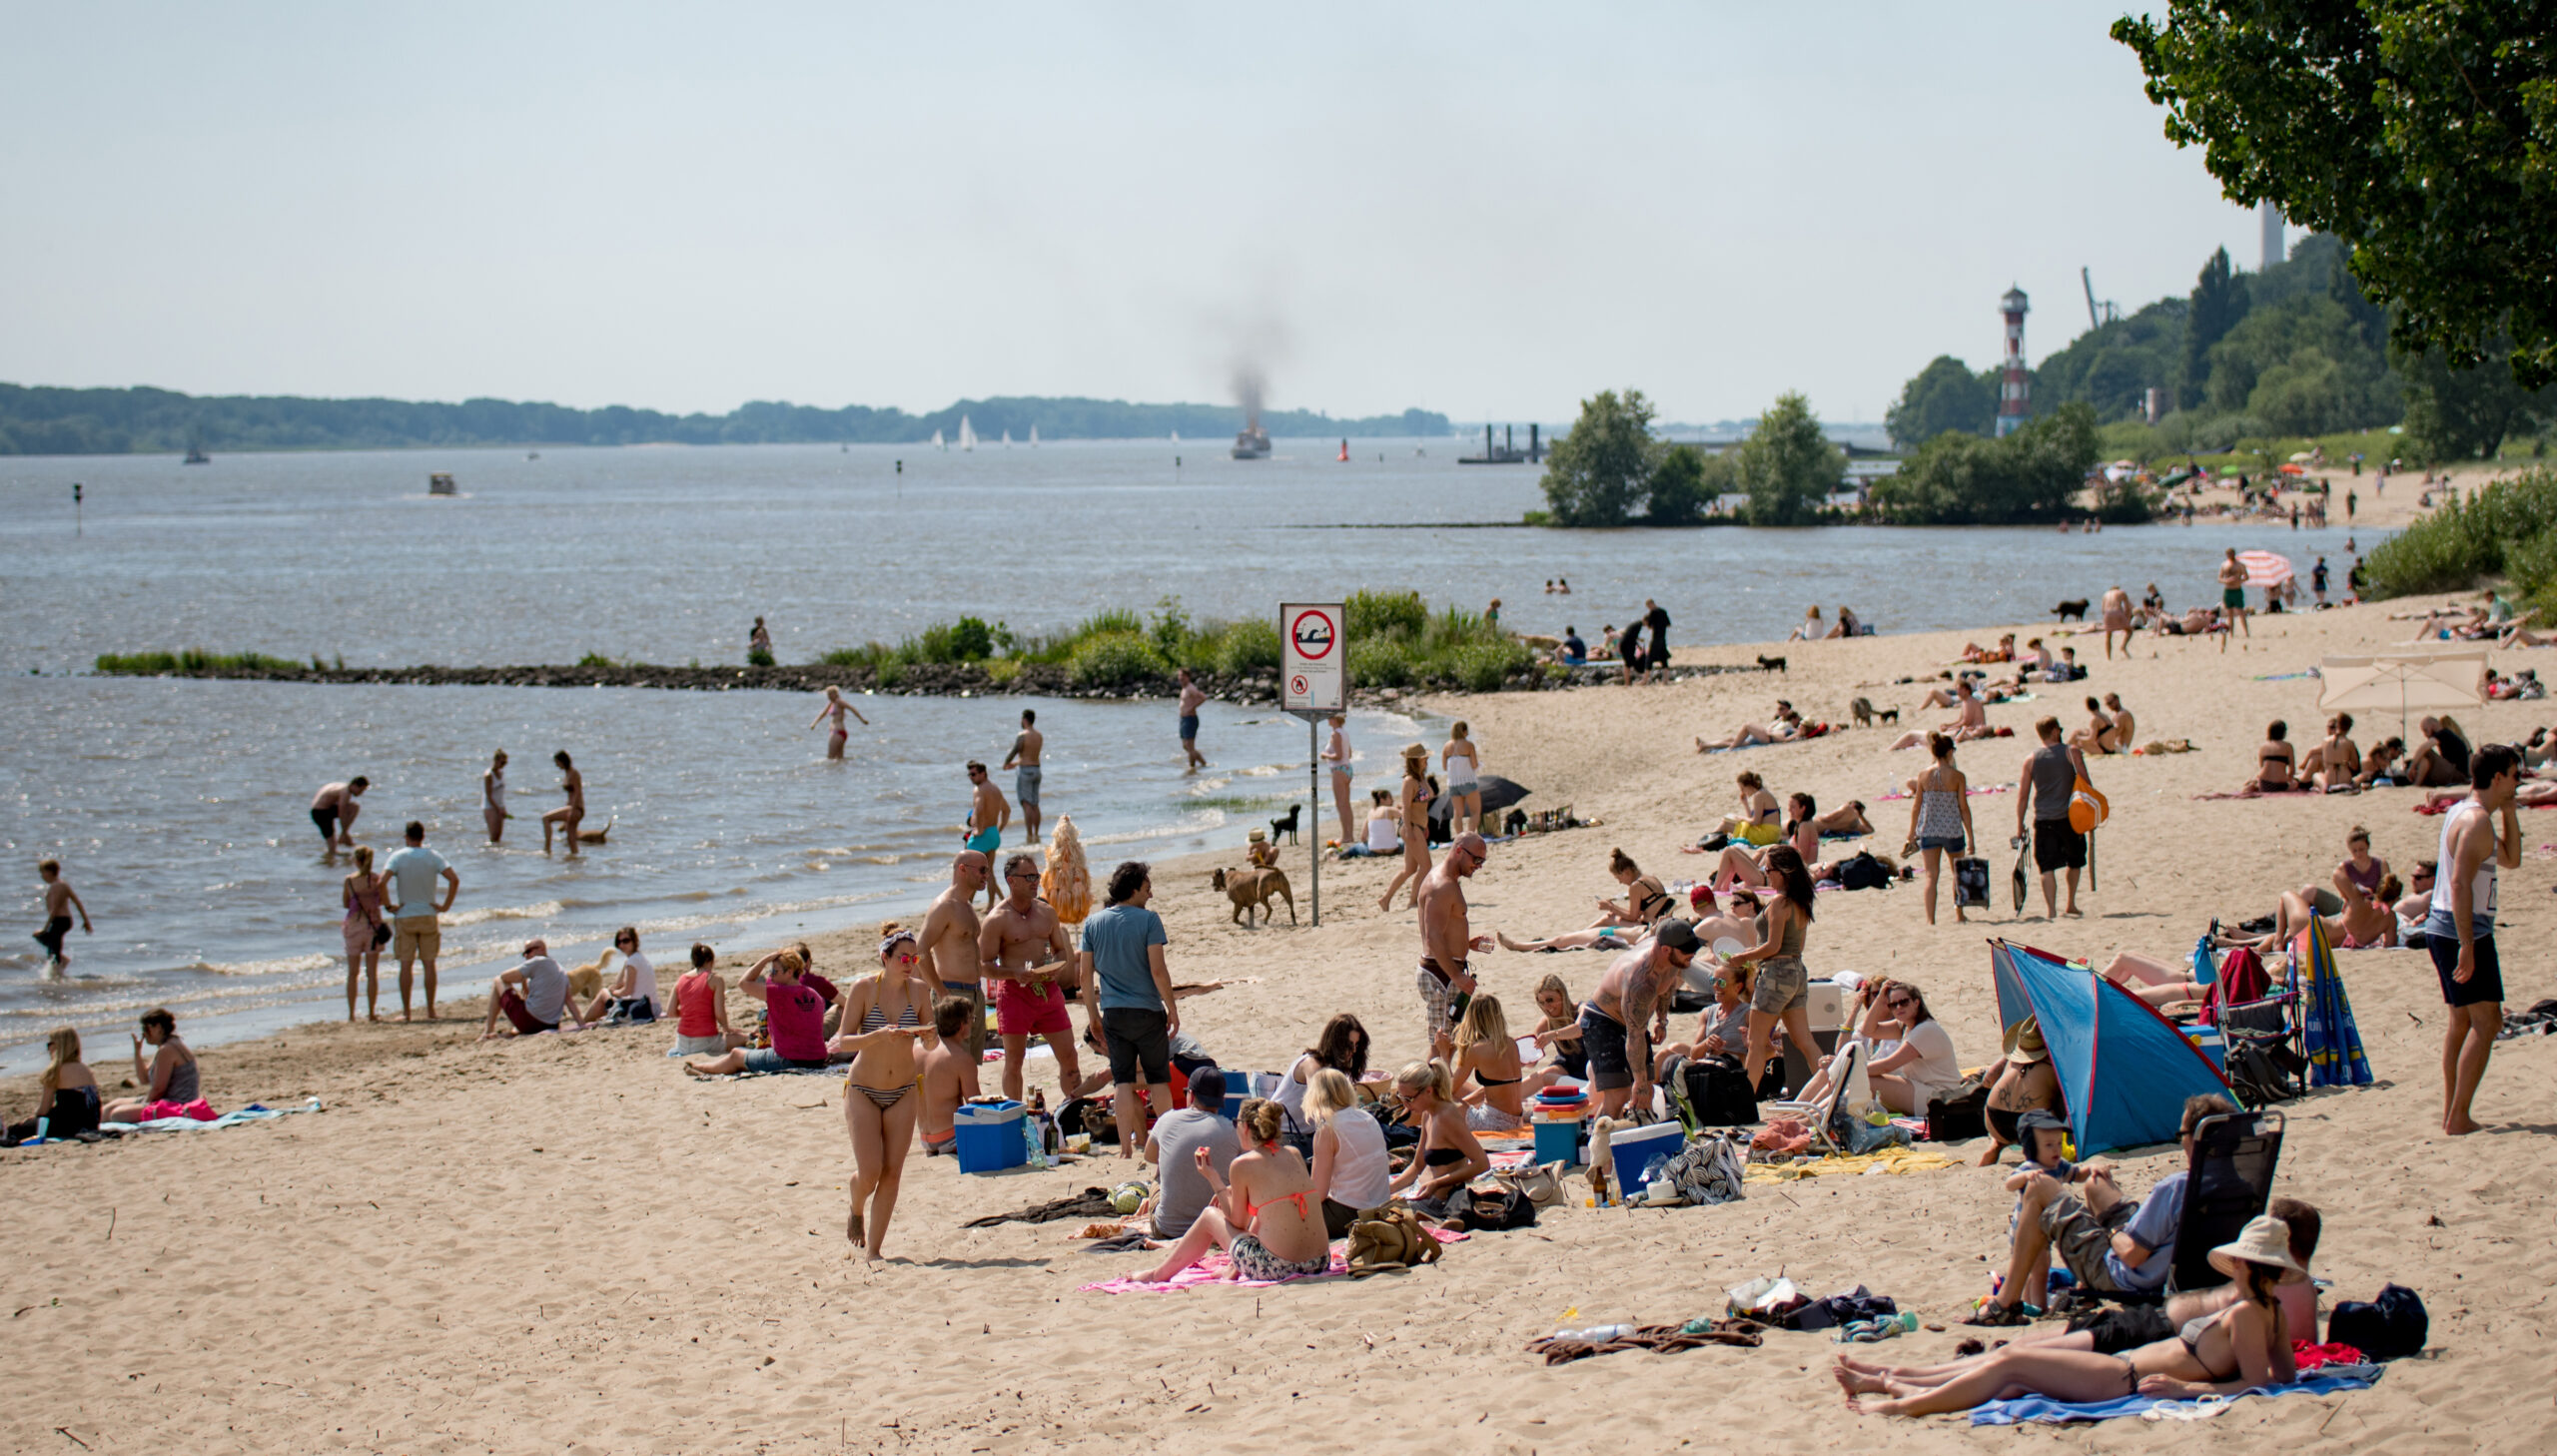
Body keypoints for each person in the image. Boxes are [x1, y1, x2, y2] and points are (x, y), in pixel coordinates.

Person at [1848, 1208, 2298, 1414]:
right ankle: (1898, 1381)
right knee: (2012, 1367)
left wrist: (2184, 1388)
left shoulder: (2246, 1314)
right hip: (2119, 1369)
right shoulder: (2269, 1312)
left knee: (2013, 1361)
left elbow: (2256, 1384)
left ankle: (1904, 1404)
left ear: (2241, 1263)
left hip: (2124, 1377)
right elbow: (2285, 1378)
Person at [1973, 1092, 2237, 1322]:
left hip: (2128, 1276)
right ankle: (2080, 1288)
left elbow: (2132, 1255)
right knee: (2095, 1184)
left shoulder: (2177, 1187)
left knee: (2040, 1186)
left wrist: (2111, 1231)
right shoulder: (2239, 1186)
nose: (2181, 1141)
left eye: (2182, 1134)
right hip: (2171, 1263)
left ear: (2198, 1139)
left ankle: (2005, 1304)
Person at [1142, 1096, 1330, 1283]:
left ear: (1246, 1127)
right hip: (1320, 1261)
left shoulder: (1242, 1164)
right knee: (1265, 1211)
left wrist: (1214, 1180)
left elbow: (1238, 1222)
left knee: (1209, 1215)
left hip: (1279, 1267)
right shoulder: (1294, 1153)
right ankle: (1233, 1268)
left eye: (1236, 1123)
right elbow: (1270, 1207)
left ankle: (1157, 1275)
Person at [2431, 744, 2520, 1135]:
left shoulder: (2466, 812)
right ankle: (2459, 1116)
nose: (2519, 781)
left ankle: (2453, 1111)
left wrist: (2512, 812)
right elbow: (2459, 882)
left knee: (2462, 1021)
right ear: (2497, 777)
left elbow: (2512, 859)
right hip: (2462, 929)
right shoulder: (2477, 820)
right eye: (2515, 775)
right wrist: (2467, 944)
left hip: (2447, 926)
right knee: (2489, 1022)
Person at [831, 929, 936, 1260]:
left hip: (904, 1089)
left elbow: (929, 1038)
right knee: (870, 1171)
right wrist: (877, 1036)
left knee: (892, 1172)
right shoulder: (864, 989)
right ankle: (855, 1205)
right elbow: (843, 1042)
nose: (909, 965)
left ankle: (874, 1251)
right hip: (863, 1088)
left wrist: (931, 1039)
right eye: (903, 958)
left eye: (914, 958)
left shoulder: (919, 991)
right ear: (885, 958)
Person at [1081, 861, 1179, 1157]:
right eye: (1147, 889)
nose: (1150, 895)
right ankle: (1167, 1143)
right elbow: (1158, 970)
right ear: (1134, 888)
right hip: (1147, 1010)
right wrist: (1172, 1008)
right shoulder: (1149, 921)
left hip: (1113, 1012)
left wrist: (1092, 1016)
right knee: (1158, 1078)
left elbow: (1085, 976)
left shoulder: (1093, 923)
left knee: (1122, 1081)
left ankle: (1125, 1149)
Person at [980, 852, 1083, 1106]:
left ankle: (1072, 1108)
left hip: (1048, 991)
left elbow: (1060, 948)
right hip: (1015, 995)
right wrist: (1013, 973)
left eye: (1036, 876)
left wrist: (1055, 966)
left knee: (1069, 1056)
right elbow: (983, 966)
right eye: (1028, 877)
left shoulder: (1046, 912)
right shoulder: (996, 919)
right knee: (1014, 1062)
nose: (1035, 881)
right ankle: (1014, 1116)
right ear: (1011, 881)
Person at [1578, 920, 1700, 1118]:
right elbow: (1634, 1034)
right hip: (1603, 1021)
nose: (1692, 956)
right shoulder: (1641, 978)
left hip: (1635, 1023)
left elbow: (1667, 985)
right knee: (1619, 1095)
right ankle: (1598, 1145)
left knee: (1648, 1092)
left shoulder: (1672, 958)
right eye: (1687, 952)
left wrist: (1662, 1019)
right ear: (1666, 949)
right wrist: (1639, 1082)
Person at [1728, 845, 1817, 1095]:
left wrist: (1742, 957)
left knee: (1756, 1043)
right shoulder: (1801, 900)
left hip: (1776, 973)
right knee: (1804, 1041)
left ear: (1783, 872)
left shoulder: (1780, 902)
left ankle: (1745, 1103)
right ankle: (1833, 1087)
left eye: (1769, 870)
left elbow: (1773, 946)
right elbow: (1796, 946)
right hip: (1797, 971)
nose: (1767, 875)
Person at [679, 947, 828, 1073]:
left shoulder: (778, 993)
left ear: (789, 972)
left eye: (775, 971)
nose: (771, 975)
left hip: (790, 1059)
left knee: (736, 1055)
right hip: (817, 1057)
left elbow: (744, 982)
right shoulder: (814, 994)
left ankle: (702, 1068)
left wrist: (765, 959)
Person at [1414, 831, 1493, 1062]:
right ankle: (1429, 1093)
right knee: (1442, 1045)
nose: (1478, 866)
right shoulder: (1441, 885)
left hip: (1444, 970)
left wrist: (1466, 944)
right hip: (1441, 974)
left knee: (1449, 1042)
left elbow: (1441, 934)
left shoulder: (1447, 882)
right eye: (1476, 860)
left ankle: (1436, 1090)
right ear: (1459, 850)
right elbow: (1433, 937)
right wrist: (1457, 976)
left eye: (1482, 861)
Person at [1144, 1066, 1240, 1239]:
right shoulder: (1232, 1131)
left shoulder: (1167, 1119)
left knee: (1159, 1172)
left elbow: (1149, 1156)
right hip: (1215, 1231)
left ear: (1191, 1094)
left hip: (1167, 1230)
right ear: (1221, 1100)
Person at [1384, 1060, 1490, 1216]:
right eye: (1401, 1098)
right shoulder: (1427, 1114)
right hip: (1419, 1192)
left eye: (1409, 1099)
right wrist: (1389, 1190)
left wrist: (1438, 1183)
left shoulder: (1447, 1117)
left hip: (1434, 1201)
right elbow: (1418, 1165)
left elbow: (1482, 1163)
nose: (1405, 1105)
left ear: (1428, 1091)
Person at [918, 851, 993, 1061]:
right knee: (953, 1064)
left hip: (975, 994)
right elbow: (920, 949)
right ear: (962, 869)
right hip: (952, 992)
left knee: (972, 1063)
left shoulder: (966, 906)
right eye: (982, 870)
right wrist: (940, 991)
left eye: (987, 870)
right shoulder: (945, 906)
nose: (986, 875)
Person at [1846, 978, 1959, 1114]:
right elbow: (1868, 1031)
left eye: (1904, 1002)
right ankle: (1820, 1117)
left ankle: (1822, 1119)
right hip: (1924, 1091)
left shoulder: (1925, 1030)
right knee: (1858, 1082)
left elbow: (1887, 1065)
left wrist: (1848, 1069)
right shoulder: (1906, 1026)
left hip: (1941, 1097)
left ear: (1916, 1002)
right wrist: (1881, 998)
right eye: (1893, 1005)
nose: (1898, 1007)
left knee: (1866, 1080)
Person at [383, 821, 458, 1022]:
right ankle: (431, 1010)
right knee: (429, 964)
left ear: (406, 836)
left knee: (405, 965)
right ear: (423, 836)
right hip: (428, 913)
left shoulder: (398, 857)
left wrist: (389, 905)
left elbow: (382, 882)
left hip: (406, 914)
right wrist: (445, 906)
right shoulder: (433, 856)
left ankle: (407, 1012)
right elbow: (454, 879)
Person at [2017, 717, 2091, 920]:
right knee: (2074, 861)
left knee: (2046, 866)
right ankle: (2070, 904)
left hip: (2043, 819)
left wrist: (2019, 824)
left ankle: (2051, 910)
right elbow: (2085, 782)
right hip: (2070, 818)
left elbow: (2023, 795)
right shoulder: (2071, 752)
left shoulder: (2030, 759)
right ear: (2055, 731)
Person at [1304, 1068, 1392, 1236]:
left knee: (1288, 1213)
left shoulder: (1328, 1130)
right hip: (1381, 1206)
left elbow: (1318, 1194)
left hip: (1351, 1212)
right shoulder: (1368, 1118)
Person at [1907, 734, 1976, 927]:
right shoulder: (1958, 776)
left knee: (1931, 876)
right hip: (1952, 830)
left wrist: (1912, 831)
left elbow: (1916, 806)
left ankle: (1930, 919)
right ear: (1949, 752)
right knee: (1957, 873)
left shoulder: (1923, 775)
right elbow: (1963, 807)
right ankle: (1959, 914)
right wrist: (1970, 836)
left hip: (1929, 829)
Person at [1977, 1019, 2065, 1165]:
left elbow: (1988, 1080)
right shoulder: (2055, 1061)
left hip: (1995, 1120)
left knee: (1998, 1142)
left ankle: (1996, 1146)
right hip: (2033, 1124)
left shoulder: (2012, 1056)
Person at [1271, 1013, 1371, 1135]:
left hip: (1307, 1132)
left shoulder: (1334, 1069)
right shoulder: (1312, 1065)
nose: (1354, 1051)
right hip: (1283, 1133)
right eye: (1349, 1045)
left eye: (1356, 1045)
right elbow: (1322, 1105)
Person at [101, 1008, 201, 1122]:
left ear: (158, 1028)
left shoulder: (167, 1049)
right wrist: (137, 1052)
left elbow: (158, 1089)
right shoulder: (167, 1046)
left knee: (118, 1114)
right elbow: (144, 1079)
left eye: (146, 1028)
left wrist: (145, 1104)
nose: (144, 1033)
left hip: (177, 1105)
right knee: (110, 1107)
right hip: (166, 1101)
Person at [1449, 995, 1531, 1130]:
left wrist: (1444, 1054)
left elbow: (1448, 1089)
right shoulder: (1511, 1043)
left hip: (1492, 1123)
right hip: (1516, 1121)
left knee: (1440, 1102)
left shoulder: (1476, 1050)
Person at [7, 1029, 100, 1143]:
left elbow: (44, 1109)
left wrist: (33, 1119)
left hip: (67, 1126)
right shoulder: (84, 1068)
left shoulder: (56, 1070)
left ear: (58, 1046)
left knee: (13, 1131)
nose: (48, 1049)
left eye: (49, 1044)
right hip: (91, 1123)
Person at [915, 995, 980, 1157]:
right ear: (961, 1025)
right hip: (951, 1138)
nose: (973, 1022)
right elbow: (975, 1105)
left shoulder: (915, 1051)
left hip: (925, 1138)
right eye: (971, 1018)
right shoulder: (961, 1059)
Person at [479, 939, 583, 1040]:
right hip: (552, 1025)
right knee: (524, 1003)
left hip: (530, 1022)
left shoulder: (537, 961)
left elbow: (504, 976)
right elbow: (569, 1001)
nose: (526, 956)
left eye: (528, 951)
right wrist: (581, 1024)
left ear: (541, 949)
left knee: (498, 981)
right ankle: (506, 1033)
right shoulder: (560, 969)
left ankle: (488, 1030)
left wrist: (524, 976)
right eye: (524, 953)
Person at [1376, 744, 1435, 911]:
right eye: (1424, 758)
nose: (1427, 761)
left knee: (1409, 869)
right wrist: (1409, 830)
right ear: (1415, 761)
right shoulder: (1409, 781)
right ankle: (1412, 902)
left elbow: (1425, 803)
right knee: (1426, 866)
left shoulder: (1421, 778)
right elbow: (1407, 808)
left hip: (1419, 825)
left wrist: (1425, 826)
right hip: (1410, 825)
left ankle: (1385, 899)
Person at [669, 943, 746, 1056]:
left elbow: (671, 1012)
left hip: (682, 1042)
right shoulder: (715, 979)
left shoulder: (681, 980)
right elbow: (719, 1013)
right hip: (705, 1040)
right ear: (710, 961)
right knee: (744, 1038)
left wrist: (691, 1012)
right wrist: (726, 1028)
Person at [340, 846, 386, 1021]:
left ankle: (351, 1014)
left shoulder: (349, 880)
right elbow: (381, 900)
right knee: (372, 974)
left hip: (354, 928)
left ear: (357, 861)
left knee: (352, 973)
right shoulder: (376, 879)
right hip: (373, 927)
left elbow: (345, 903)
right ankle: (371, 1013)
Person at [578, 926, 659, 1025]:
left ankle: (583, 1023)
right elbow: (619, 983)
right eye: (619, 942)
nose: (621, 945)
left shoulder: (633, 961)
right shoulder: (637, 958)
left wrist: (614, 992)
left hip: (641, 1006)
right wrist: (625, 965)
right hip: (652, 1006)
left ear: (634, 941)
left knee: (604, 993)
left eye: (626, 941)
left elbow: (627, 990)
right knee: (607, 996)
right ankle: (589, 1020)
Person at [961, 762, 1011, 909]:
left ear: (983, 773)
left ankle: (966, 904)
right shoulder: (995, 789)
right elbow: (1007, 810)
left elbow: (979, 808)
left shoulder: (979, 789)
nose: (971, 777)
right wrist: (998, 829)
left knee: (970, 872)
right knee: (988, 873)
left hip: (982, 836)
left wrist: (977, 829)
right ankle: (990, 905)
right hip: (993, 834)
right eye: (969, 774)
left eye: (974, 774)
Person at [31, 858, 91, 976]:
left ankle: (57, 975)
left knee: (53, 949)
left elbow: (56, 908)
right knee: (51, 944)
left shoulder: (57, 886)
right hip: (64, 920)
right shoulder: (62, 884)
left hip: (60, 920)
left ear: (50, 872)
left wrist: (45, 927)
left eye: (42, 872)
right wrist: (86, 921)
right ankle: (60, 968)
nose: (42, 876)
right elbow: (77, 902)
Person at [1001, 708, 1042, 845]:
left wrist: (1006, 763)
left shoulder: (1023, 735)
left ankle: (1029, 835)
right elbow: (1029, 756)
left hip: (1025, 772)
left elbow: (1015, 751)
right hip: (1037, 769)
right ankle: (1036, 834)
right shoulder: (1039, 736)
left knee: (1026, 803)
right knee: (1035, 803)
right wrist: (1015, 764)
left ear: (1024, 720)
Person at [2404, 714, 2472, 788]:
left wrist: (2412, 767)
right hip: (2454, 772)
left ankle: (2416, 785)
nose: (2425, 734)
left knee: (2428, 753)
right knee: (2425, 759)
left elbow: (2424, 747)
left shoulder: (2444, 733)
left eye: (2426, 730)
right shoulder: (2446, 734)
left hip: (2457, 774)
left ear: (2433, 726)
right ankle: (2417, 781)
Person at [1441, 722, 1482, 838]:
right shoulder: (1469, 745)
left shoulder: (1446, 746)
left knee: (1458, 813)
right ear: (1464, 731)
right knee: (1475, 811)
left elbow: (1444, 767)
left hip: (1453, 783)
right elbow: (1474, 765)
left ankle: (1460, 837)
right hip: (1467, 780)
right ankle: (1470, 835)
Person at [539, 751, 584, 856]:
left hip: (576, 808)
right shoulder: (567, 774)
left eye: (557, 762)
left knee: (546, 818)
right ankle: (575, 859)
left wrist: (572, 810)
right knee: (571, 838)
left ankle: (547, 849)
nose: (557, 765)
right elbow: (571, 795)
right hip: (572, 807)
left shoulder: (574, 773)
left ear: (563, 761)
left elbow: (578, 792)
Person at [810, 686, 870, 762]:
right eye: (827, 695)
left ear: (835, 694)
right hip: (839, 733)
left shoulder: (839, 702)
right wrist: (814, 723)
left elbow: (852, 708)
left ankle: (831, 773)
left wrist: (862, 720)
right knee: (839, 759)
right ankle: (841, 773)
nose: (828, 697)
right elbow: (823, 713)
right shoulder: (831, 703)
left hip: (837, 732)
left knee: (830, 758)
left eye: (830, 694)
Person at [1338, 788, 1401, 859]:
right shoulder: (1390, 809)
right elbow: (1405, 816)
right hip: (1392, 849)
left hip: (1374, 851)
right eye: (1390, 798)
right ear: (1382, 800)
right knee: (1400, 840)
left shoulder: (1370, 813)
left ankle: (1338, 857)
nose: (1393, 800)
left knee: (1356, 847)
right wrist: (1402, 807)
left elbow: (1363, 837)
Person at [310, 777, 369, 852]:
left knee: (354, 807)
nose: (361, 793)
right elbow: (342, 812)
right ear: (355, 785)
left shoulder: (341, 787)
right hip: (320, 812)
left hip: (320, 810)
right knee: (354, 807)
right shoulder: (345, 792)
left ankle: (333, 857)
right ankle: (342, 839)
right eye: (361, 790)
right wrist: (344, 832)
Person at [2309, 714, 2361, 791]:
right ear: (2349, 727)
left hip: (2329, 780)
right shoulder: (2349, 743)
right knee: (2362, 777)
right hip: (2345, 779)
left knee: (2316, 775)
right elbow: (2355, 765)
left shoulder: (2325, 741)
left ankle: (2324, 787)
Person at [2252, 720, 2297, 793]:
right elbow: (2292, 770)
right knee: (2295, 783)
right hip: (2280, 784)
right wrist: (2289, 779)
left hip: (2264, 783)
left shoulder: (2263, 747)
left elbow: (2262, 766)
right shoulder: (2288, 746)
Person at [1177, 668, 1208, 771]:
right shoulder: (1184, 688)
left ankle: (1192, 769)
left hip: (1190, 718)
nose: (1180, 678)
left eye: (1183, 676)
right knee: (1185, 746)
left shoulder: (1191, 688)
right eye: (1179, 676)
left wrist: (1193, 707)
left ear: (1188, 677)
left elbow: (1203, 697)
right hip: (1184, 719)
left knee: (1190, 747)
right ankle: (1203, 763)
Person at [2217, 547, 2250, 637]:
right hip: (2228, 590)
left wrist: (2239, 580)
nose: (2229, 555)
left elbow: (2247, 577)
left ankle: (2246, 632)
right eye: (2228, 554)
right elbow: (2219, 578)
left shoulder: (2240, 565)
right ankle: (2231, 633)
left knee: (2241, 612)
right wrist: (2227, 580)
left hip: (2237, 590)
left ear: (2234, 554)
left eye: (2231, 553)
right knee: (2230, 613)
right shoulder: (2224, 565)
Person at [481, 750, 509, 843]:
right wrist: (498, 809)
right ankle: (490, 855)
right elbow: (489, 795)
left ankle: (497, 856)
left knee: (498, 836)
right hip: (490, 806)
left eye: (505, 763)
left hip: (499, 806)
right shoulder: (489, 775)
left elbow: (501, 794)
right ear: (496, 761)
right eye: (502, 762)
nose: (503, 765)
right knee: (493, 836)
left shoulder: (501, 773)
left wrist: (503, 808)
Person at [2101, 584, 2132, 659]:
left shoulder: (2106, 594)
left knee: (2108, 636)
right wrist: (2127, 619)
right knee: (2129, 631)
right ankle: (2123, 646)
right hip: (2117, 611)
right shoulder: (2121, 592)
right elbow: (2127, 608)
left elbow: (2102, 610)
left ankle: (2109, 657)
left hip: (2107, 613)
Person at [1643, 598, 1672, 673]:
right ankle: (1665, 679)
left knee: (1649, 658)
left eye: (1648, 606)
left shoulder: (1652, 613)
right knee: (1663, 658)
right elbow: (1668, 624)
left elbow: (1649, 626)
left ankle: (1645, 680)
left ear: (1650, 604)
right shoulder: (1663, 611)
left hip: (1655, 637)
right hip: (1663, 637)